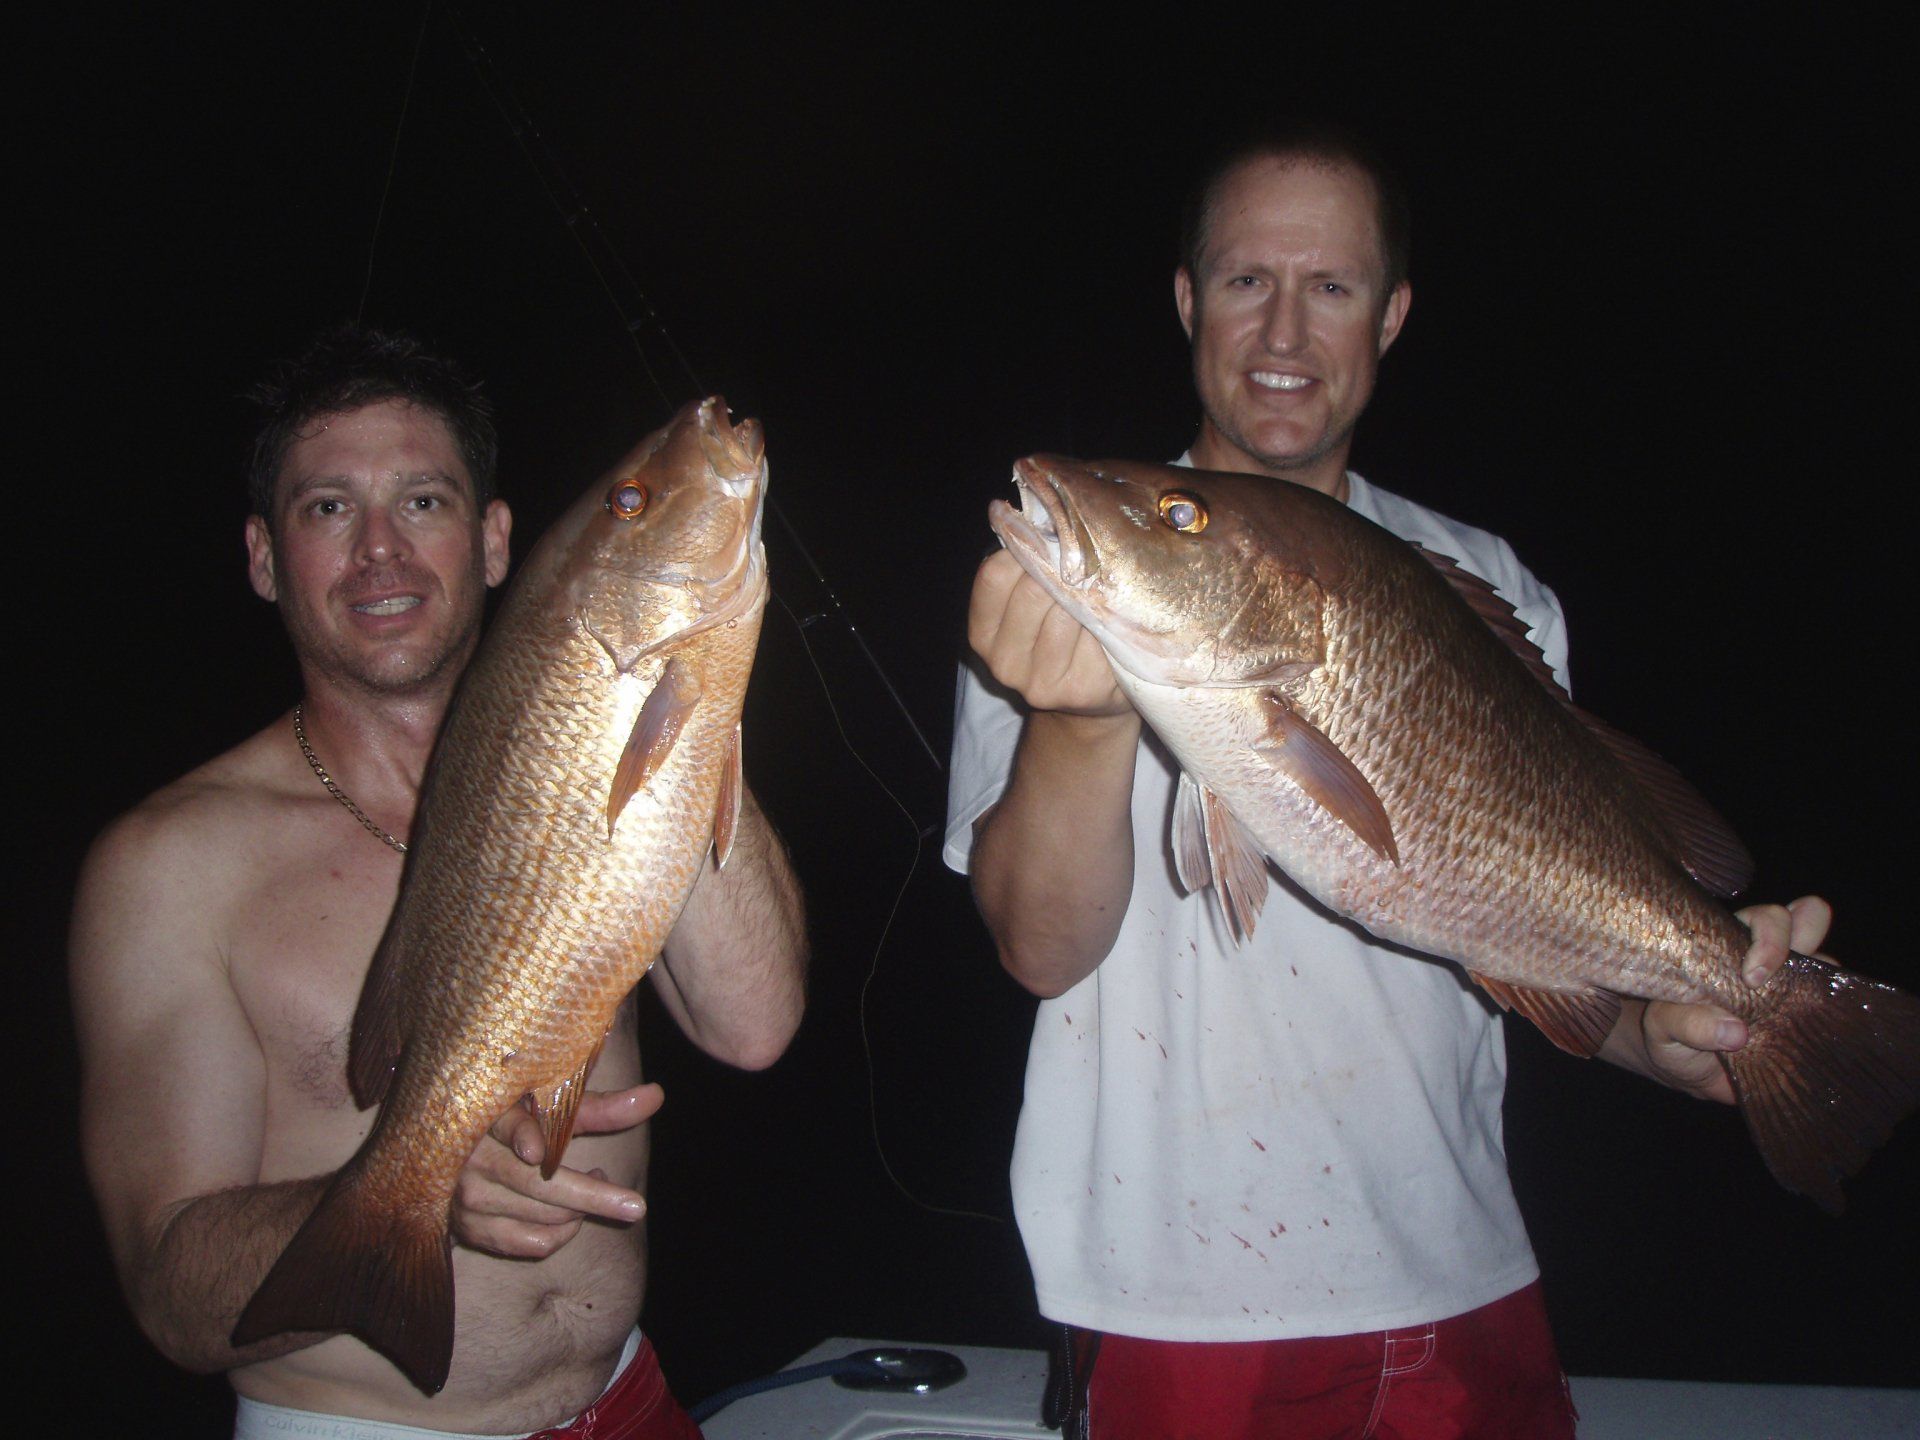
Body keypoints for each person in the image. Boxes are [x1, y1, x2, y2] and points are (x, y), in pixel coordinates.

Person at [947, 125, 1832, 1438]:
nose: (1285, 329)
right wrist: (1077, 724)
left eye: (1335, 286)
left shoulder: (1490, 583)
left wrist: (1669, 1025)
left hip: (1460, 1267)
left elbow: (1508, 929)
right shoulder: (1057, 608)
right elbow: (1037, 949)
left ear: (1393, 315)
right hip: (1171, 1296)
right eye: (1247, 280)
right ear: (1189, 303)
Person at [70, 328, 807, 1439]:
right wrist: (411, 1199)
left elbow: (756, 1024)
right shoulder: (169, 867)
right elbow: (172, 1291)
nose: (380, 551)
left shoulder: (605, 766)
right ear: (266, 557)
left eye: (423, 502)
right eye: (328, 508)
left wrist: (682, 683)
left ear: (496, 539)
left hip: (634, 1401)